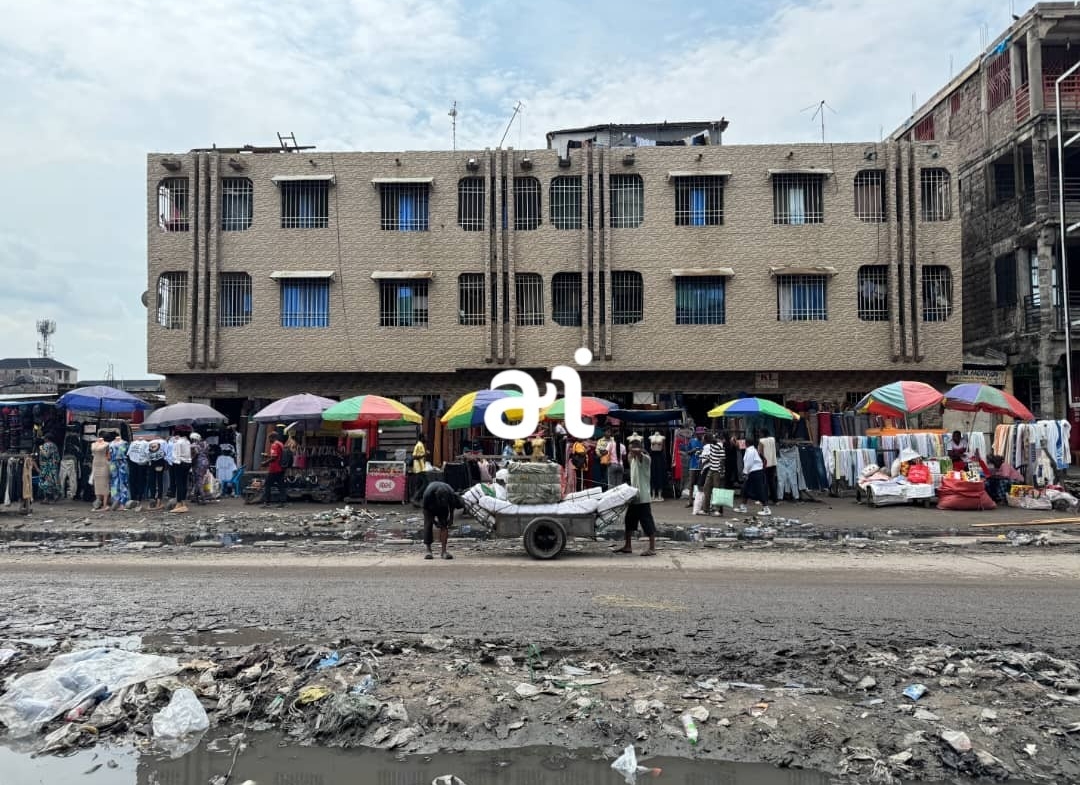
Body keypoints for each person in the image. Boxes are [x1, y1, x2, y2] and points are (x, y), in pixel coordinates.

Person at [614, 438, 657, 556]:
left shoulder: (645, 459)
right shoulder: (633, 460)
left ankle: (652, 548)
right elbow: (632, 454)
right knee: (629, 521)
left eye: (631, 449)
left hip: (643, 497)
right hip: (634, 497)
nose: (630, 452)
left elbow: (638, 452)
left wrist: (636, 449)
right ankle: (628, 546)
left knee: (647, 522)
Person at [422, 480, 463, 560]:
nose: (442, 500)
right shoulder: (428, 494)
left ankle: (444, 551)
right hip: (429, 508)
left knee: (444, 526)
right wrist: (434, 522)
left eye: (444, 499)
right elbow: (425, 509)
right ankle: (428, 550)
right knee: (428, 525)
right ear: (436, 494)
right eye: (441, 499)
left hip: (443, 508)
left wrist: (451, 518)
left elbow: (452, 506)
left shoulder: (450, 493)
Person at [737, 438, 770, 516]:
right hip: (754, 472)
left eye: (745, 442)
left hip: (755, 472)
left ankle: (766, 509)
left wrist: (745, 473)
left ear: (747, 443)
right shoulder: (750, 450)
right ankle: (743, 506)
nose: (743, 444)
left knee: (759, 491)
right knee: (745, 489)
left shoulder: (750, 451)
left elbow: (749, 463)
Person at [700, 432, 728, 516]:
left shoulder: (719, 446)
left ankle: (717, 510)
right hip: (712, 469)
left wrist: (721, 472)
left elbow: (722, 459)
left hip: (717, 471)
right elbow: (711, 456)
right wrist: (702, 456)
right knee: (706, 488)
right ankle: (706, 509)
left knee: (717, 490)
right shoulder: (712, 446)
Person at [169, 428, 193, 513]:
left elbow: (176, 455)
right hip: (187, 463)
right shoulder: (188, 442)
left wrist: (175, 463)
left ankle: (179, 503)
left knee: (179, 483)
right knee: (184, 483)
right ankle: (183, 502)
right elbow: (189, 454)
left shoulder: (178, 442)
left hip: (179, 463)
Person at [126, 435, 151, 512]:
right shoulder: (133, 443)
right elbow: (129, 453)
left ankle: (139, 497)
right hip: (134, 462)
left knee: (140, 480)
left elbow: (147, 453)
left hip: (141, 463)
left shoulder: (146, 443)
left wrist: (147, 461)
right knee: (133, 479)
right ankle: (134, 497)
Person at [261, 432, 286, 507]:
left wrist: (265, 463)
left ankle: (267, 502)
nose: (269, 440)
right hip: (281, 468)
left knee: (267, 484)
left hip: (274, 468)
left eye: (269, 438)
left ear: (272, 437)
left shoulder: (274, 445)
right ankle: (282, 502)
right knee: (281, 485)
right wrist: (268, 456)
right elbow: (278, 456)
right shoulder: (281, 444)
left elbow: (274, 458)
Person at [90, 431, 112, 511]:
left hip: (104, 464)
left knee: (104, 484)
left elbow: (109, 456)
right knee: (97, 484)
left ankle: (104, 505)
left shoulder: (107, 444)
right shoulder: (93, 444)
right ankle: (98, 504)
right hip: (95, 464)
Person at [683, 428, 704, 508]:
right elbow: (687, 452)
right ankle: (690, 501)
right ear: (696, 434)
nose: (701, 435)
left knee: (700, 485)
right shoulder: (692, 441)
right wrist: (693, 450)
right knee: (691, 484)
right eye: (699, 433)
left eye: (702, 433)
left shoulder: (704, 442)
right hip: (693, 466)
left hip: (702, 466)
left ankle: (699, 501)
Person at [36, 435, 60, 503]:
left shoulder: (46, 445)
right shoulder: (55, 445)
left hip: (47, 466)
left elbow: (46, 455)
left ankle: (46, 498)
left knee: (45, 481)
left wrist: (41, 448)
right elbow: (58, 458)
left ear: (47, 439)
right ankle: (55, 494)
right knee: (53, 481)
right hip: (54, 466)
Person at [147, 437, 168, 510]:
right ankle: (156, 500)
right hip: (158, 462)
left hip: (154, 462)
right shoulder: (163, 442)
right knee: (158, 481)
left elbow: (147, 453)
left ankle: (155, 500)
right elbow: (166, 453)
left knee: (154, 481)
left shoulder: (151, 443)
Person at [189, 433, 210, 504]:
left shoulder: (194, 445)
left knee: (198, 480)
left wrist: (191, 461)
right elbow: (207, 454)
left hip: (198, 463)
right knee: (197, 479)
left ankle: (203, 497)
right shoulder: (206, 444)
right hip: (205, 462)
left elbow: (195, 454)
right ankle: (195, 497)